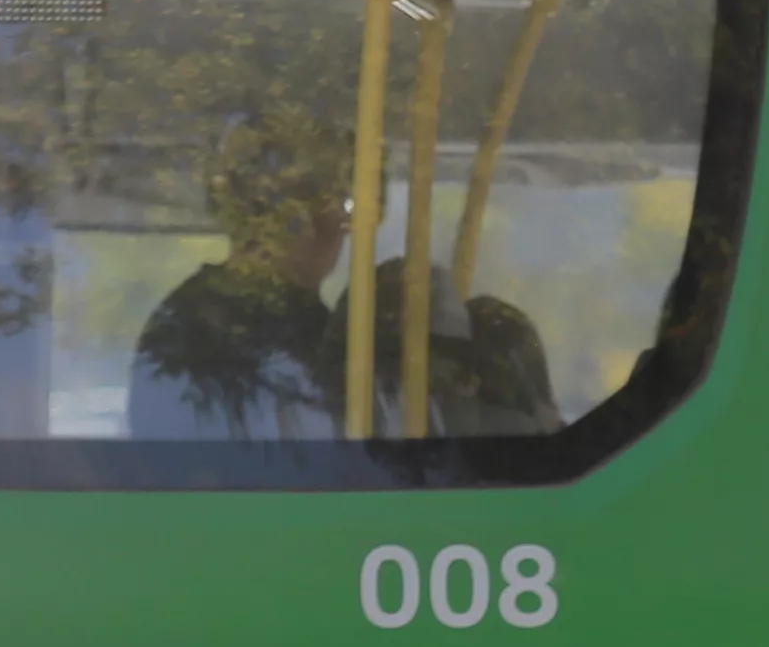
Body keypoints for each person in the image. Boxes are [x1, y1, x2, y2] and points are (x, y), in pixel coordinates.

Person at [130, 110, 562, 447]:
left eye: (345, 206)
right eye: (329, 205)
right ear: (277, 213)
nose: (339, 227)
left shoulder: (212, 322)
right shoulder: (215, 339)